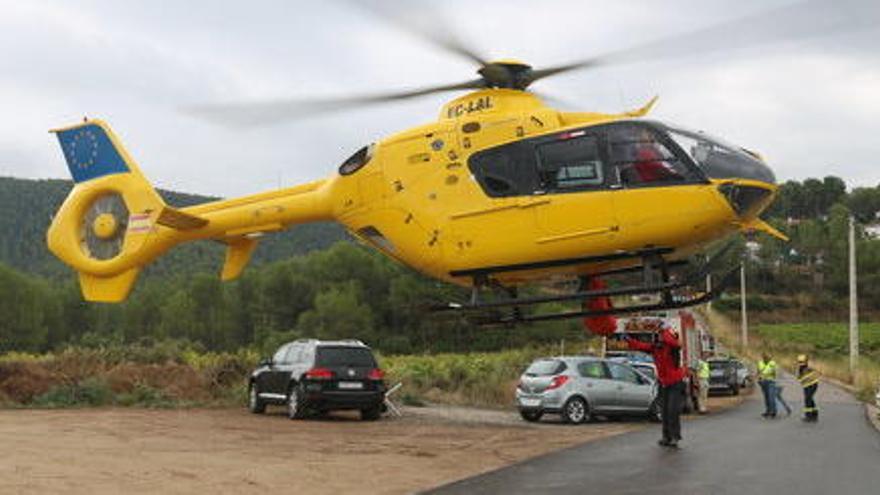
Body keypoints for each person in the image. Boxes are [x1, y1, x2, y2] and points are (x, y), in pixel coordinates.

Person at [626, 320, 686, 448]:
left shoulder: (671, 346)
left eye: (659, 334)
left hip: (675, 382)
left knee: (672, 410)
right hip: (663, 383)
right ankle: (667, 437)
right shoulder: (655, 348)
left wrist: (664, 329)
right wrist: (628, 340)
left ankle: (675, 437)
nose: (658, 337)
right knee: (664, 411)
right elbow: (641, 346)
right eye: (657, 335)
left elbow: (674, 342)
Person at [797, 354, 820, 422]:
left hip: (812, 385)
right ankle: (814, 414)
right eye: (800, 362)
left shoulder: (809, 368)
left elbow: (813, 375)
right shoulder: (800, 369)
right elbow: (799, 378)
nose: (801, 364)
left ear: (806, 361)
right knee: (810, 399)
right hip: (806, 385)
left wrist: (802, 378)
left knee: (808, 400)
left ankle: (809, 416)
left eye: (802, 362)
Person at [757, 352, 778, 418]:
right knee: (766, 397)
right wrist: (758, 379)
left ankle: (773, 411)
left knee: (771, 397)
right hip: (763, 382)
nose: (765, 358)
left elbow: (772, 371)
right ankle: (768, 411)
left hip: (771, 381)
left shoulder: (772, 363)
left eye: (767, 357)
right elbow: (758, 371)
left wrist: (763, 374)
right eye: (764, 357)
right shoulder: (760, 363)